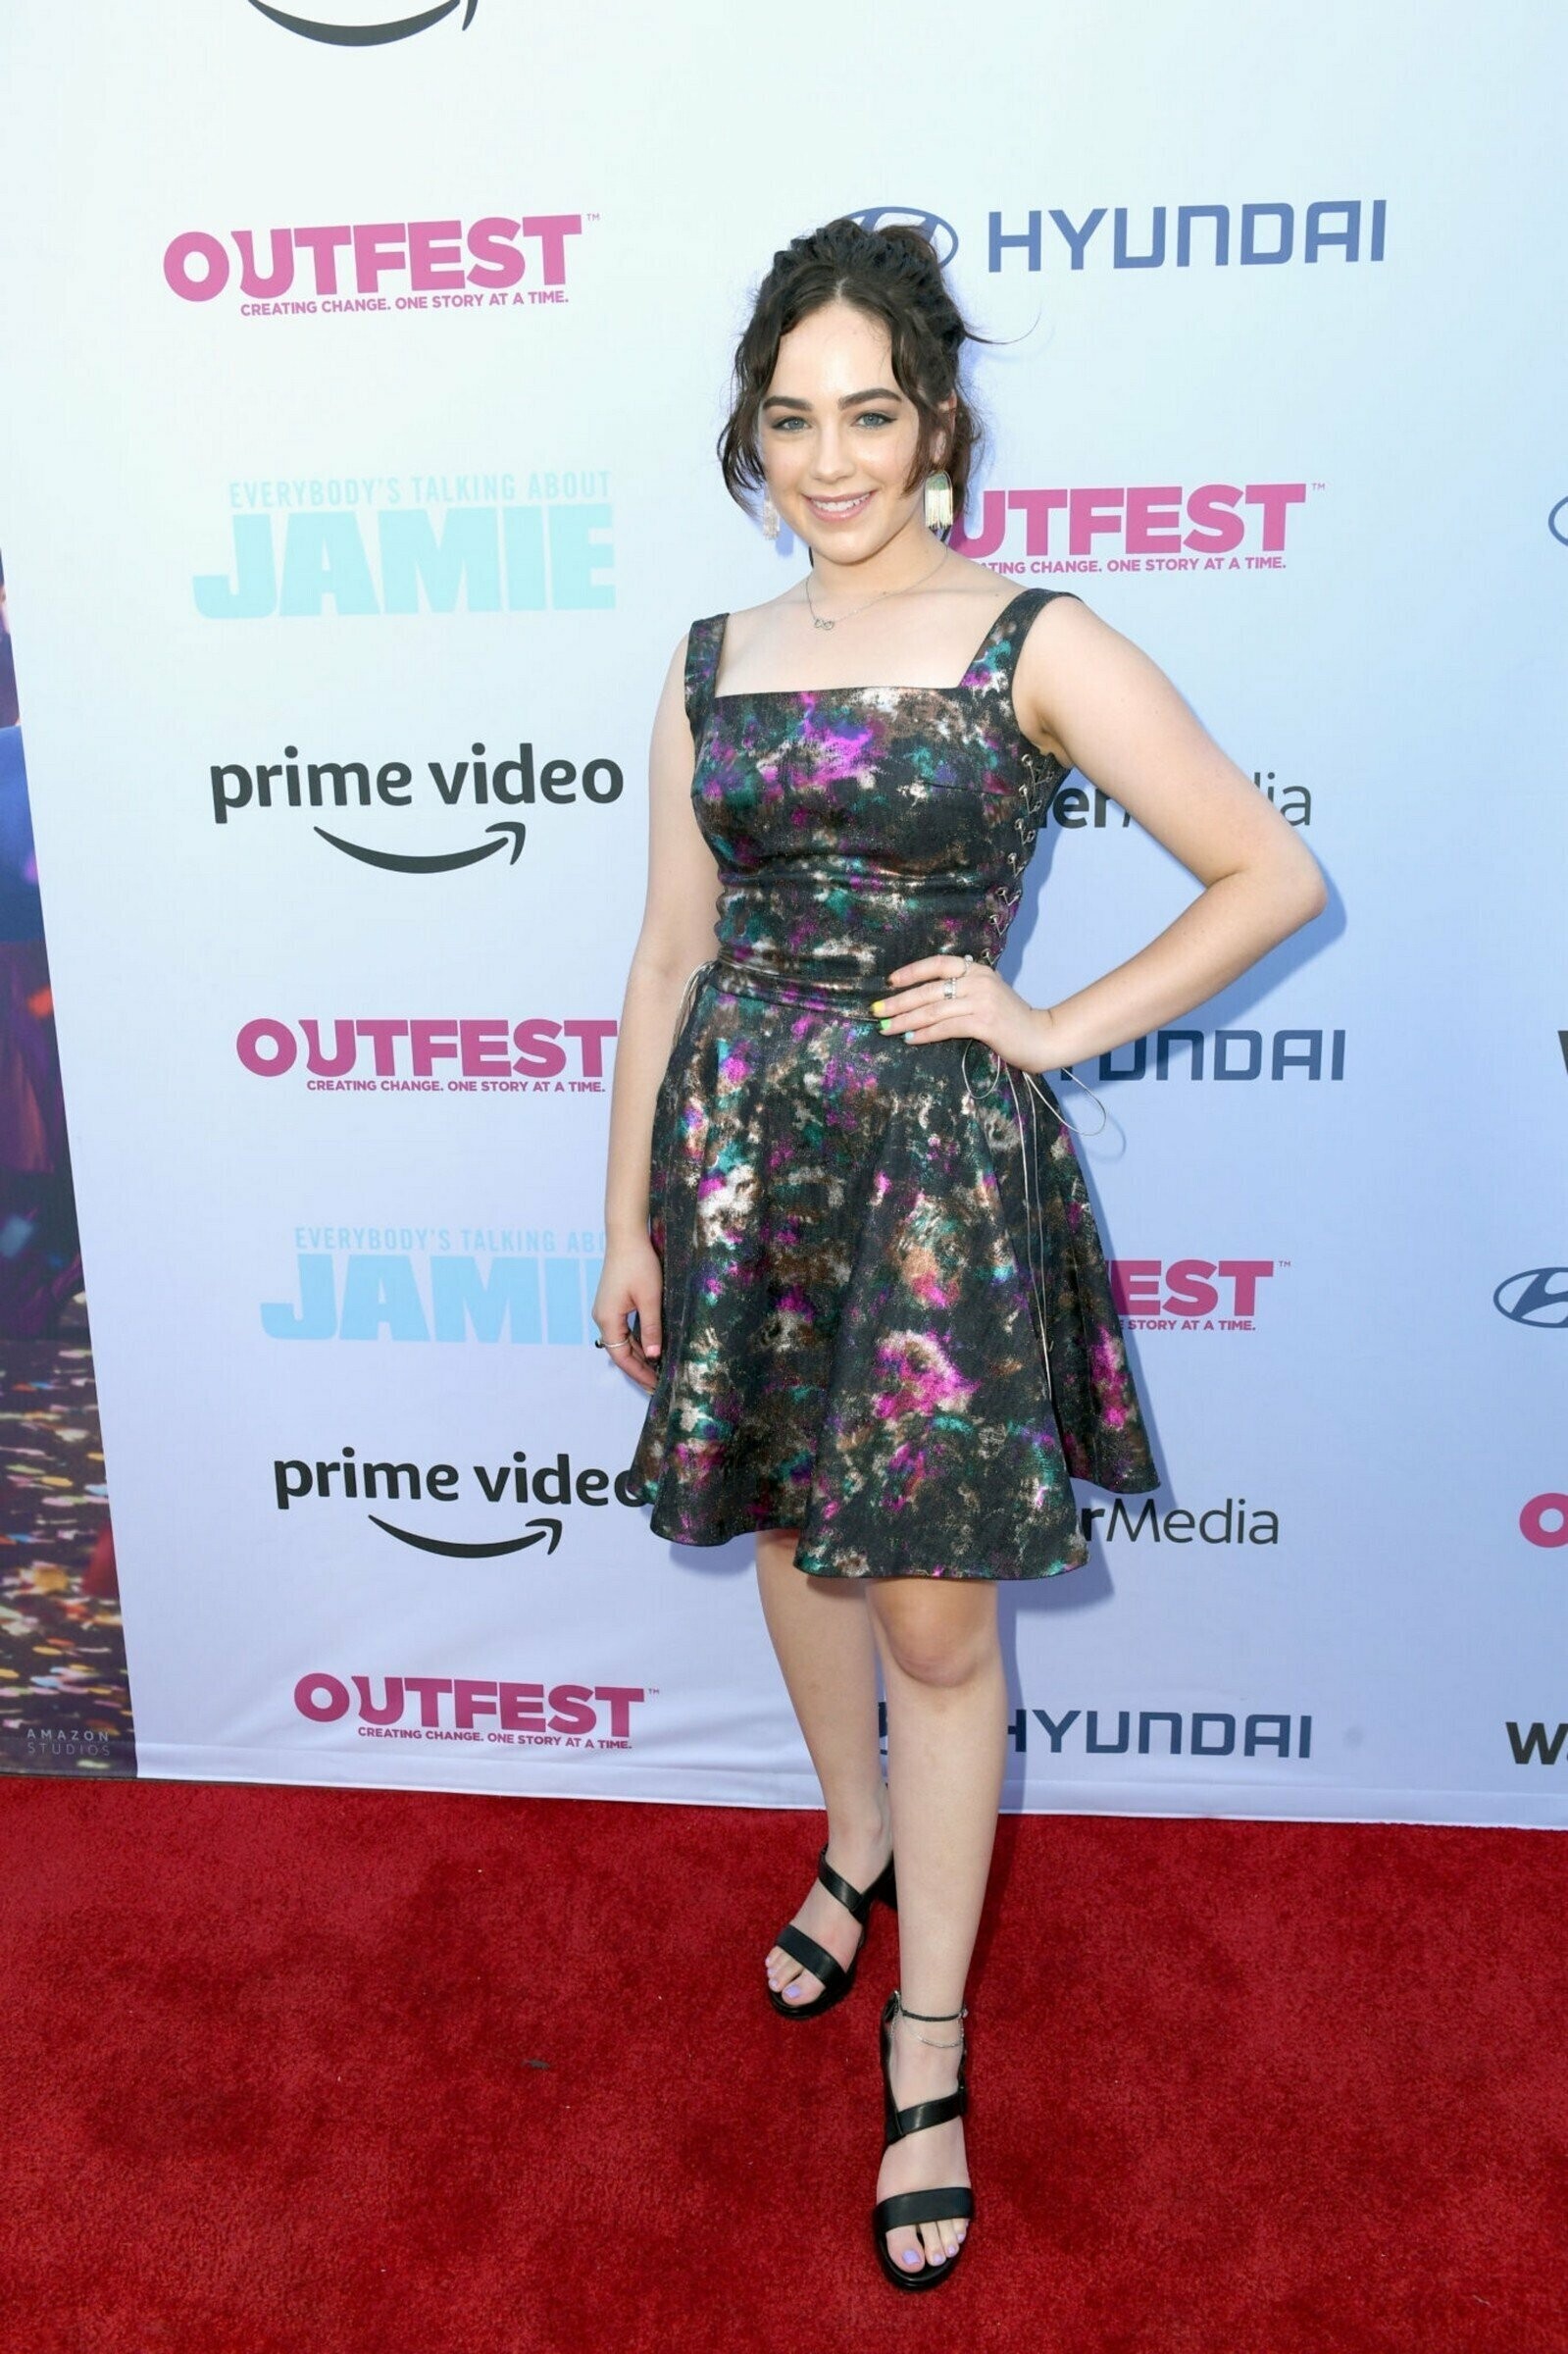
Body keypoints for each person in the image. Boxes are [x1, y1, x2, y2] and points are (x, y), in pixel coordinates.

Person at [593, 216, 1326, 2292]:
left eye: (871, 415)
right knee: (786, 1530)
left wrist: (1055, 1023)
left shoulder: (1034, 640)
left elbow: (1265, 872)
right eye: (791, 418)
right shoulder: (708, 659)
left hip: (928, 1176)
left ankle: (927, 2041)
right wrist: (626, 1209)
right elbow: (666, 955)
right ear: (751, 435)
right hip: (741, 1160)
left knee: (933, 1625)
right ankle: (853, 1839)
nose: (830, 460)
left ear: (935, 429)